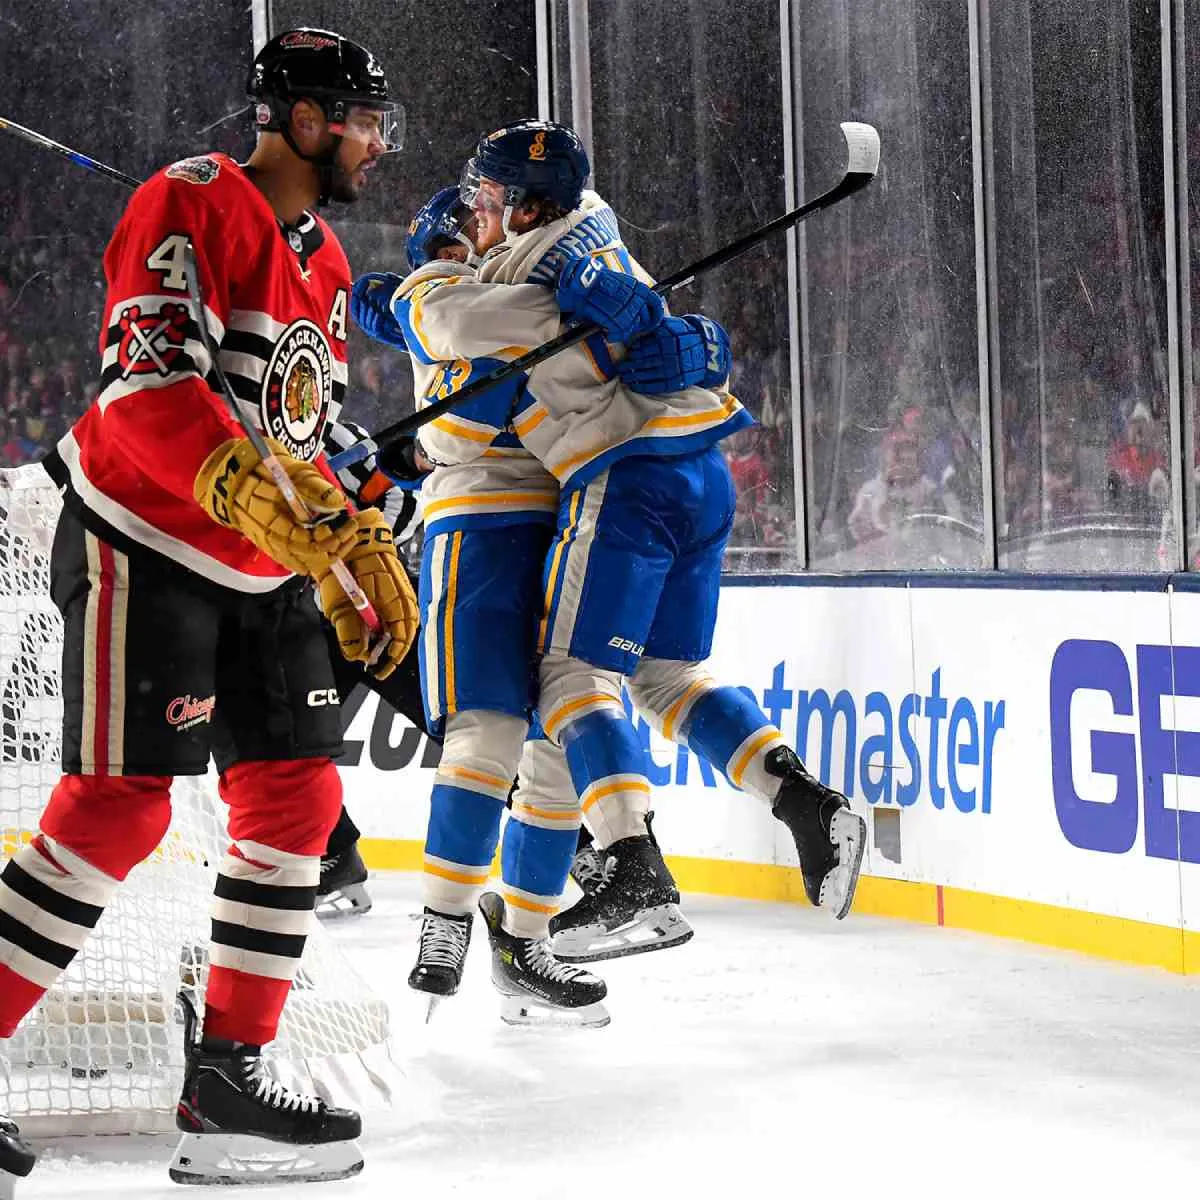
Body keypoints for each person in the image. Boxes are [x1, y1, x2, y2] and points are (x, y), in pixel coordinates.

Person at [0, 28, 417, 1191]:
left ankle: (228, 1079)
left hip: (262, 564)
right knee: (118, 811)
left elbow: (302, 429)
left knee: (294, 794)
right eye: (362, 119)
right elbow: (146, 389)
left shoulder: (322, 258)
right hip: (148, 540)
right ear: (301, 118)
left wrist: (355, 515)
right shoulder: (191, 200)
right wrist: (250, 491)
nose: (378, 143)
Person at [367, 121, 867, 960]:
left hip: (624, 477)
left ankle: (633, 865)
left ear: (523, 208)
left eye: (486, 204)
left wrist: (401, 300)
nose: (478, 218)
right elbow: (652, 332)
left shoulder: (499, 276)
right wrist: (680, 334)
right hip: (705, 468)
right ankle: (802, 801)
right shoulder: (591, 218)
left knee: (569, 676)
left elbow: (451, 339)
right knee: (667, 677)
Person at [351, 185, 627, 1025]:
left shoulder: (494, 284)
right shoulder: (455, 298)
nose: (487, 233)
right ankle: (443, 925)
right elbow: (456, 388)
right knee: (487, 727)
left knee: (550, 746)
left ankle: (523, 940)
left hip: (565, 511)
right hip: (477, 520)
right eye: (471, 227)